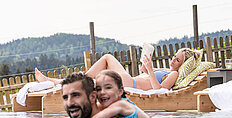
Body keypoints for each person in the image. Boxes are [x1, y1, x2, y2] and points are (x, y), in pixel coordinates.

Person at [35, 48, 200, 91]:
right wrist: (145, 67)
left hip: (131, 83)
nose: (172, 60)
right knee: (105, 60)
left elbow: (159, 91)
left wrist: (149, 70)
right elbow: (149, 78)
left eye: (177, 60)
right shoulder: (166, 70)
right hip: (132, 79)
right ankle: (55, 82)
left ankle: (53, 82)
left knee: (105, 62)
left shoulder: (174, 74)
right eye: (173, 57)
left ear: (182, 64)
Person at [81, 70, 154, 118]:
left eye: (108, 87)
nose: (102, 92)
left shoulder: (121, 104)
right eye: (98, 89)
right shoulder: (106, 105)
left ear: (120, 91)